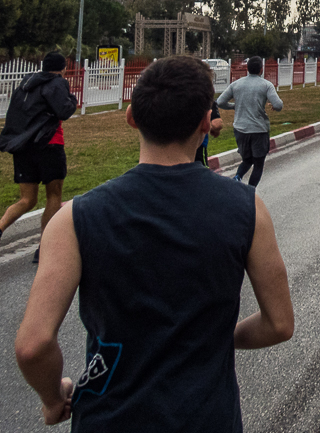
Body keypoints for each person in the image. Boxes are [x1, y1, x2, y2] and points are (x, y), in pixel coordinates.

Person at [15, 56, 294, 430]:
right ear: (203, 126)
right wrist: (213, 339)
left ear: (131, 117)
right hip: (207, 419)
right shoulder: (248, 209)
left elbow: (32, 346)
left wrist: (53, 398)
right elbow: (279, 324)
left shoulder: (72, 219)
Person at [0, 51, 77, 262]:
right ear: (63, 68)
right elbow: (64, 111)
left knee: (27, 199)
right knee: (53, 196)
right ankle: (45, 247)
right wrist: (72, 98)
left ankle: (1, 227)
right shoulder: (57, 82)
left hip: (23, 147)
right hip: (49, 144)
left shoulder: (25, 84)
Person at [217, 56, 283, 188]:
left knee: (247, 159)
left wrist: (233, 106)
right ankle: (250, 191)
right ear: (261, 69)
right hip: (259, 130)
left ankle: (237, 177)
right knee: (258, 163)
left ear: (247, 69)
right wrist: (274, 107)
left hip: (240, 129)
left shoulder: (236, 84)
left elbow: (220, 102)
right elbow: (278, 104)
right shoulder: (266, 85)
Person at [195, 101, 223, 167]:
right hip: (198, 144)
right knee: (201, 171)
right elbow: (217, 124)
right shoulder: (205, 97)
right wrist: (215, 130)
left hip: (173, 145)